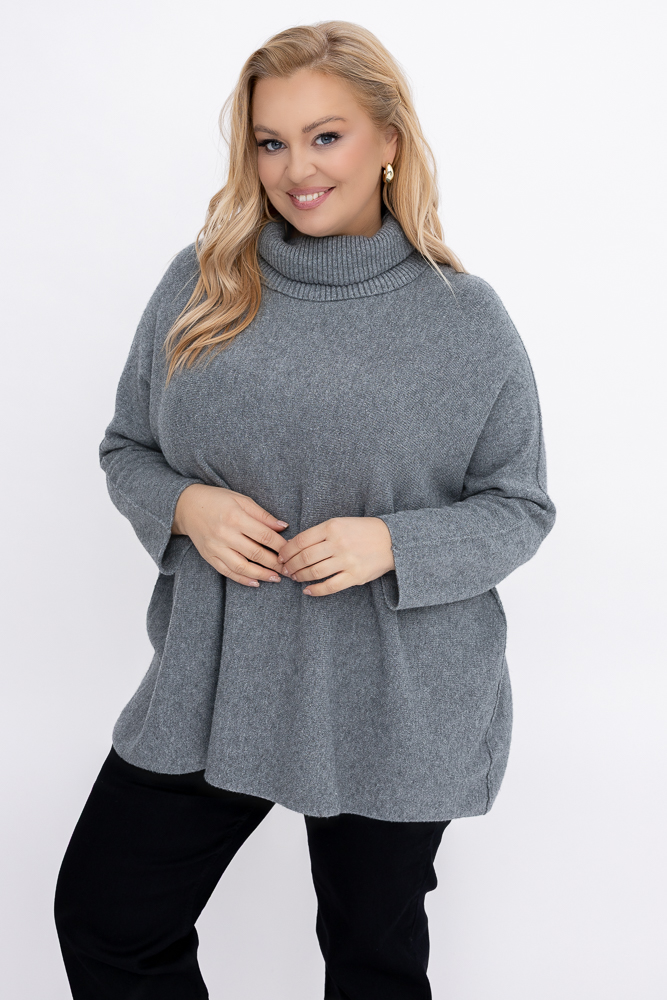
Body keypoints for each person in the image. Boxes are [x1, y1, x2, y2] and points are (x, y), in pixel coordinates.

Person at [54, 19, 556, 1000]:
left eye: (326, 136)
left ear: (389, 141)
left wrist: (392, 543)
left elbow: (519, 507)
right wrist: (186, 506)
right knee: (111, 915)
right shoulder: (204, 281)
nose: (296, 169)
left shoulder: (462, 319)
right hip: (216, 678)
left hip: (394, 697)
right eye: (270, 142)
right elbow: (126, 448)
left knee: (372, 964)